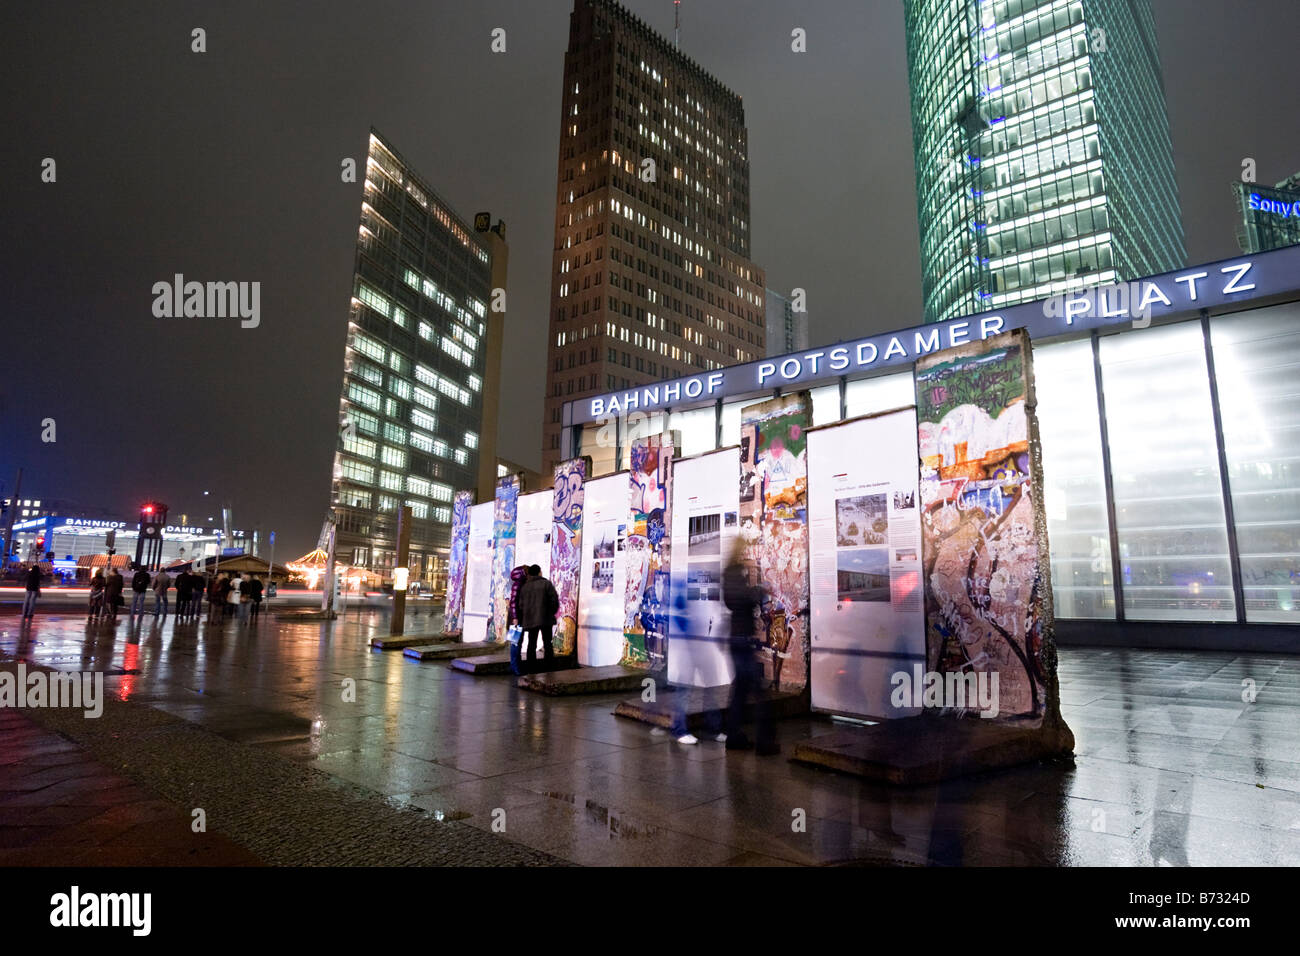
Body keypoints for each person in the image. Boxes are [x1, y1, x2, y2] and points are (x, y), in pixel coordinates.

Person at [722, 539, 778, 756]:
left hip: (737, 637)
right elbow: (740, 599)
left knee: (741, 691)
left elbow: (731, 601)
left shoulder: (729, 572)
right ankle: (764, 741)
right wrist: (759, 591)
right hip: (742, 638)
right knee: (758, 690)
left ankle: (734, 736)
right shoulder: (735, 572)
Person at [515, 564, 559, 668]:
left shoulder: (525, 587)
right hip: (545, 619)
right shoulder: (546, 584)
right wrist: (550, 612)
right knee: (547, 643)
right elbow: (554, 600)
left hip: (530, 619)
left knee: (531, 643)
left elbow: (521, 605)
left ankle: (531, 667)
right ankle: (549, 667)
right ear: (539, 572)